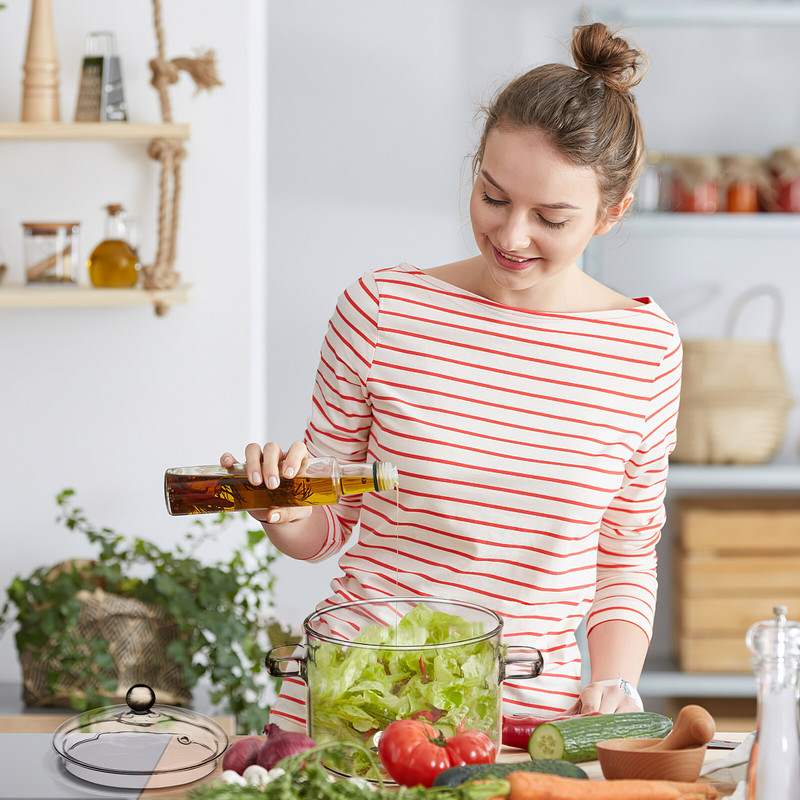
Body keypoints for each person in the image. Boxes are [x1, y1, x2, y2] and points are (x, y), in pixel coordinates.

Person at [222, 21, 682, 731]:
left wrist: (616, 681)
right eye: (493, 197)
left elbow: (624, 553)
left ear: (610, 214)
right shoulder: (381, 310)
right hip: (353, 696)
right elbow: (329, 524)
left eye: (551, 218)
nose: (511, 235)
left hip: (521, 721)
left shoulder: (645, 350)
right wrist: (281, 510)